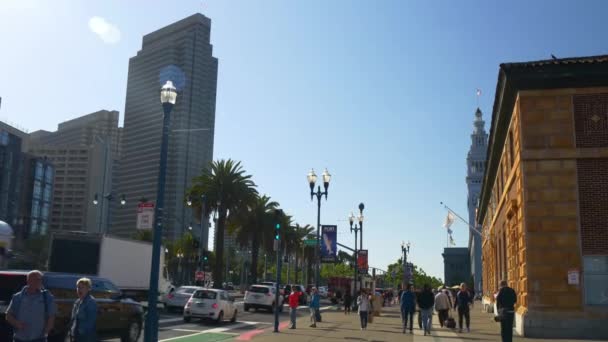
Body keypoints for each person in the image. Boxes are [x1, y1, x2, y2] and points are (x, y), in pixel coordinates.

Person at [5, 270, 56, 342]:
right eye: (35, 279)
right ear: (28, 281)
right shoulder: (18, 297)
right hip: (19, 338)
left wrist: (46, 331)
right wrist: (17, 323)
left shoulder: (47, 297)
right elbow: (8, 315)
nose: (38, 282)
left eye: (40, 279)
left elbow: (51, 316)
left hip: (39, 338)